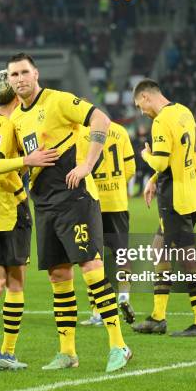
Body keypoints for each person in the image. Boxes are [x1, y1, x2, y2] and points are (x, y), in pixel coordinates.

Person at [7, 53, 131, 372]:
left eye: (24, 72)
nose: (19, 78)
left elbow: (101, 119)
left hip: (75, 197)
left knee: (91, 266)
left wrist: (87, 164)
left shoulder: (58, 100)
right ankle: (68, 353)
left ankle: (119, 345)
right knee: (59, 276)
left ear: (36, 74)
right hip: (44, 204)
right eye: (13, 75)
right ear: (9, 81)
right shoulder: (15, 121)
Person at [0, 70, 58, 371]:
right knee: (15, 283)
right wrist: (27, 161)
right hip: (7, 211)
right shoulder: (4, 125)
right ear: (16, 96)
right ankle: (6, 351)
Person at [133, 78, 196, 337]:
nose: (141, 111)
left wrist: (145, 156)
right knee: (159, 251)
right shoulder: (184, 111)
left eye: (139, 105)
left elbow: (162, 162)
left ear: (146, 97)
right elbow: (180, 156)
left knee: (187, 258)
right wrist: (154, 182)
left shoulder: (160, 121)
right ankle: (158, 317)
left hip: (174, 200)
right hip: (191, 195)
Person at [78, 121, 137, 326]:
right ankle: (124, 296)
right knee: (121, 253)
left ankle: (97, 312)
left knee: (92, 257)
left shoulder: (81, 134)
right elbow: (130, 167)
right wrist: (118, 184)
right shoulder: (120, 131)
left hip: (92, 202)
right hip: (117, 201)